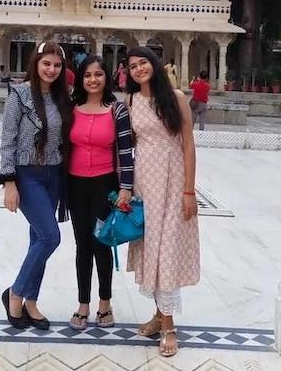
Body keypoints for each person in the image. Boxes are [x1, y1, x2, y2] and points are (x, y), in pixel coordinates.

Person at [125, 46, 200, 358]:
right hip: (145, 183)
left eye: (144, 63)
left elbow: (188, 145)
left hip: (172, 181)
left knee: (167, 249)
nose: (139, 69)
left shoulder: (176, 98)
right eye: (132, 66)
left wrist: (189, 191)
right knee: (152, 249)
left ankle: (169, 325)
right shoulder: (130, 101)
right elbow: (129, 144)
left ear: (154, 64)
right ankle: (159, 314)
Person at [0, 41, 74, 330]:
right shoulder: (18, 95)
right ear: (36, 64)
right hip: (27, 174)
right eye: (46, 64)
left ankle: (31, 301)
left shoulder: (62, 97)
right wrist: (9, 182)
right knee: (50, 237)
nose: (51, 69)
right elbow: (8, 140)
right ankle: (15, 293)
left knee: (37, 239)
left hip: (53, 175)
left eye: (56, 65)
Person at [66, 55, 134, 331]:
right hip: (76, 184)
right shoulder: (71, 107)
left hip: (104, 184)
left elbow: (127, 151)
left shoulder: (116, 110)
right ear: (81, 79)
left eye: (98, 74)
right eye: (87, 75)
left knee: (101, 243)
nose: (93, 80)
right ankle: (83, 304)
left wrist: (126, 187)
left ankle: (104, 303)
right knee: (82, 245)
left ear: (107, 77)